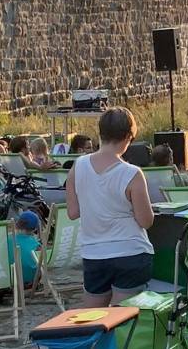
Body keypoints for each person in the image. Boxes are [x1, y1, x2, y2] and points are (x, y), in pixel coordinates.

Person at [66, 107, 155, 307]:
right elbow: (146, 221)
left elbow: (73, 212)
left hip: (94, 253)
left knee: (93, 317)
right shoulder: (132, 173)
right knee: (122, 317)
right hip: (130, 252)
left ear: (100, 133)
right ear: (128, 136)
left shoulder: (78, 166)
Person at [11, 211, 43, 287]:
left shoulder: (8, 239)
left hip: (13, 280)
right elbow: (42, 259)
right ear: (34, 229)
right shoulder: (35, 243)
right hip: (31, 279)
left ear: (17, 224)